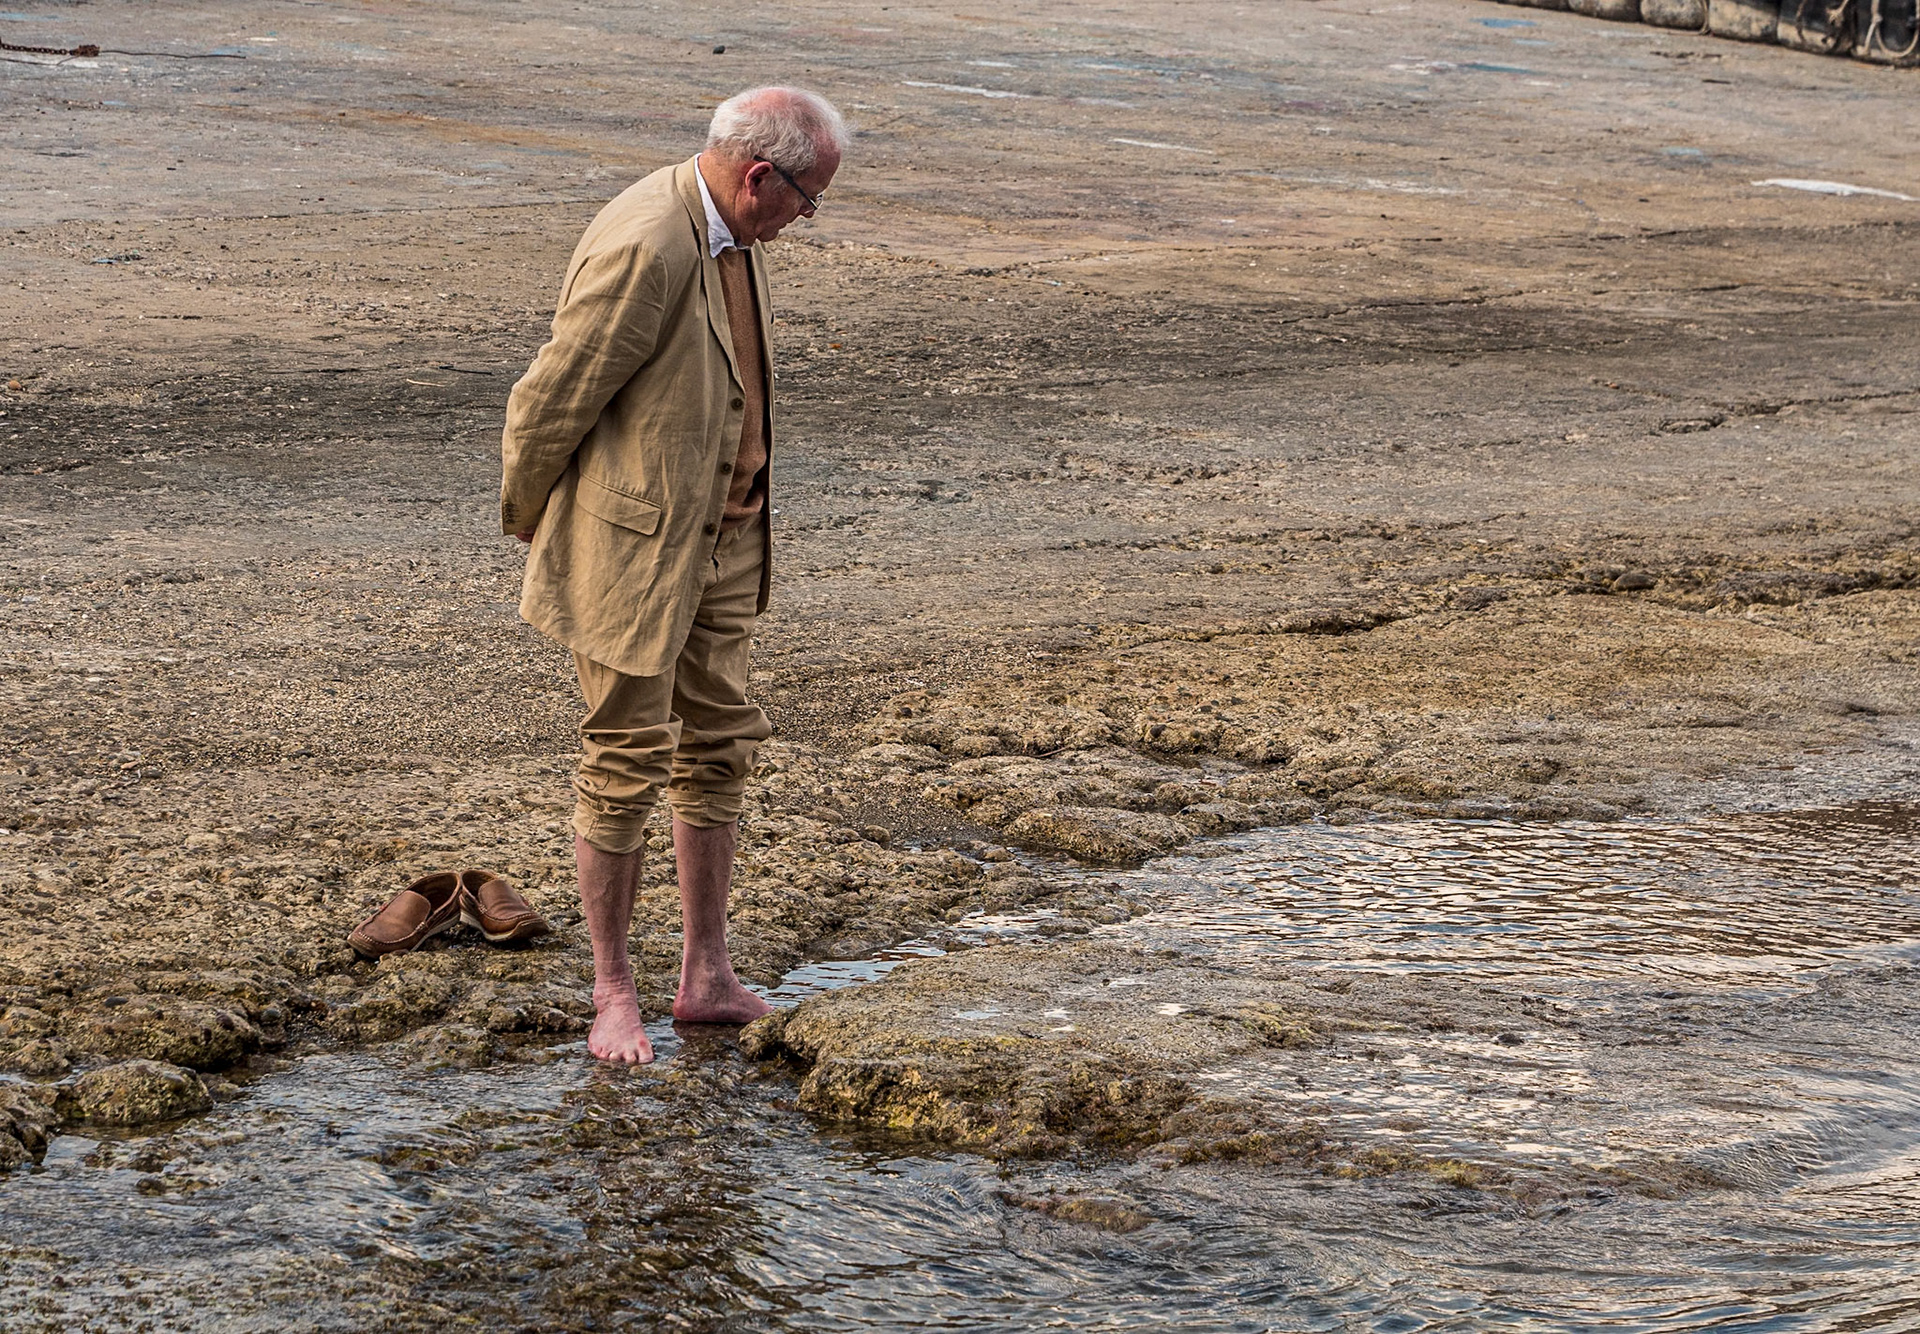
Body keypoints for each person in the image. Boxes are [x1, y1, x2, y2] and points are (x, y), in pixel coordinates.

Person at [499, 87, 847, 1064]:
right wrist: (531, 513)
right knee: (624, 759)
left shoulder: (736, 233)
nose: (806, 219)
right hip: (636, 551)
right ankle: (614, 991)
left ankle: (707, 975)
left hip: (727, 542)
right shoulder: (648, 243)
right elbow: (550, 397)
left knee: (720, 744)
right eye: (808, 200)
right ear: (759, 177)